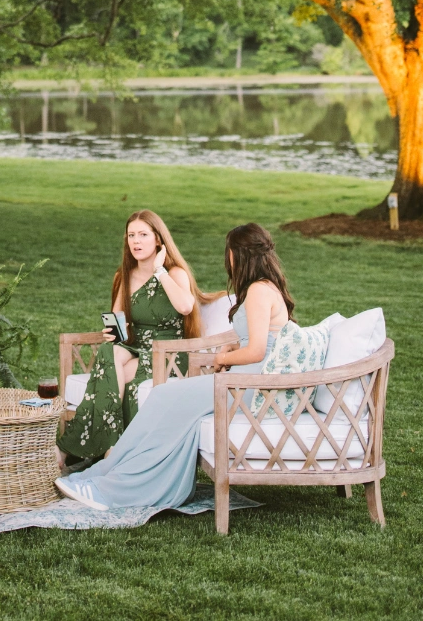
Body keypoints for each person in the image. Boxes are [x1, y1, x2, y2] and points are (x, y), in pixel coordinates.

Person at [56, 222, 296, 511]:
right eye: (131, 235)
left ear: (239, 255)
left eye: (229, 252)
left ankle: (112, 487)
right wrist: (233, 347)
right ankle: (108, 471)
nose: (227, 259)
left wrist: (222, 359)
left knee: (163, 397)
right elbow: (263, 341)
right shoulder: (264, 288)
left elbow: (257, 351)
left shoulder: (258, 290)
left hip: (248, 385)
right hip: (243, 381)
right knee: (168, 403)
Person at [57, 210, 212, 466]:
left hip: (168, 354)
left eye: (143, 235)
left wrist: (159, 271)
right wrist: (112, 332)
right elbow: (117, 318)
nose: (136, 241)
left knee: (109, 377)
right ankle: (113, 446)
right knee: (107, 352)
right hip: (135, 347)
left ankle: (76, 449)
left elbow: (185, 307)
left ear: (158, 239)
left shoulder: (174, 273)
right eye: (131, 235)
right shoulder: (125, 276)